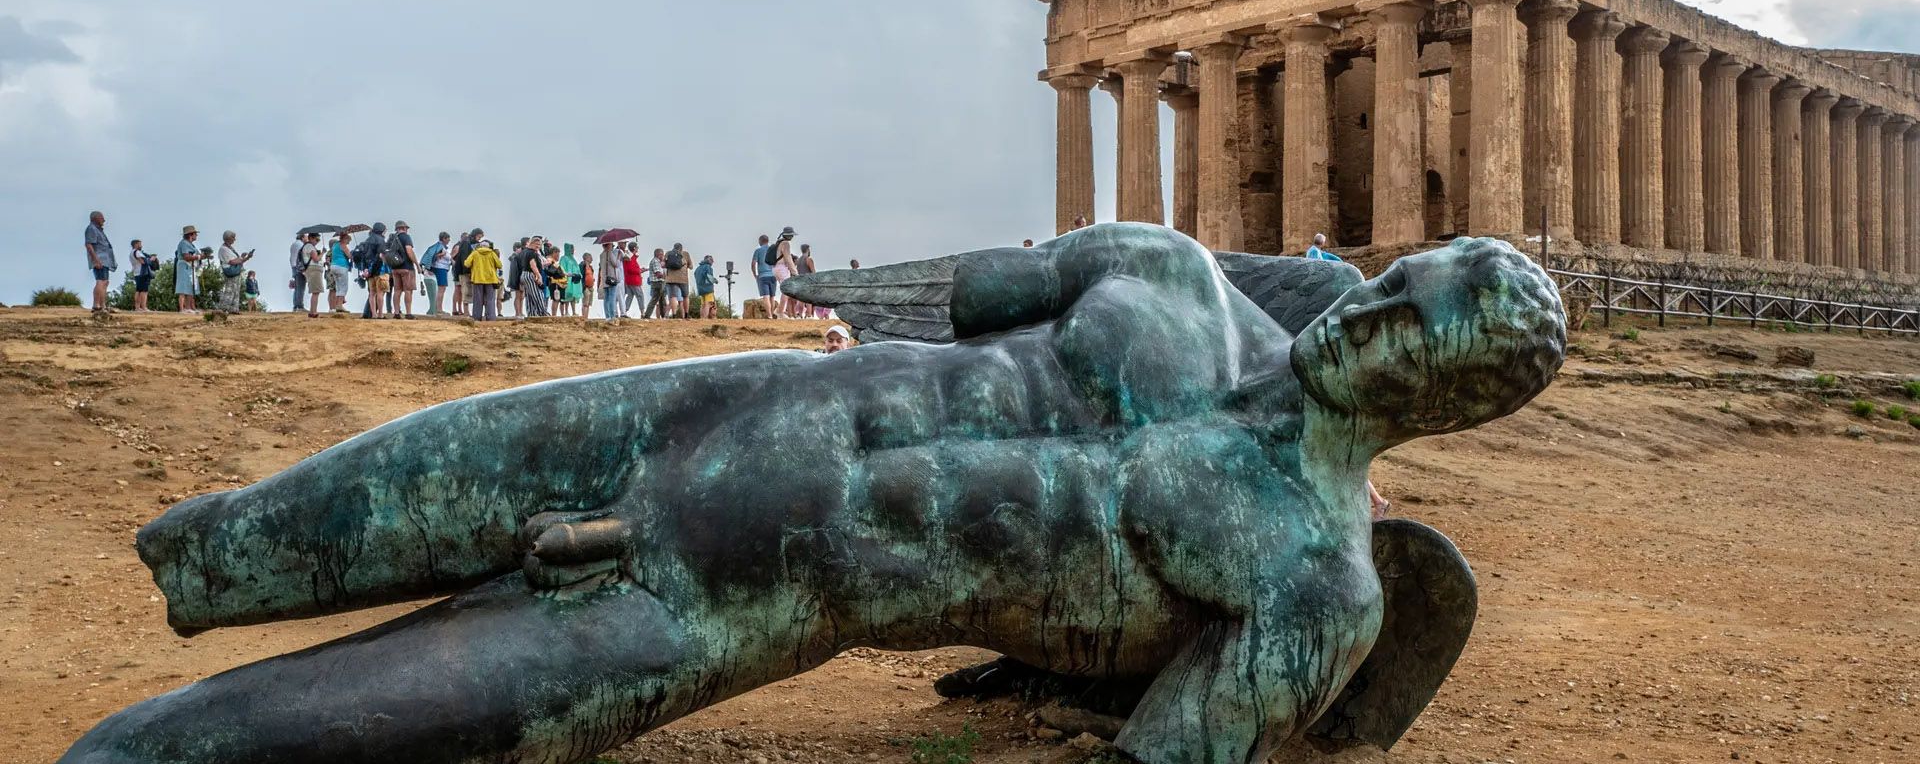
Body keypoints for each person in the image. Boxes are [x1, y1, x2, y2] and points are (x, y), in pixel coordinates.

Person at [84, 227, 1568, 764]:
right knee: (237, 536)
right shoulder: (1169, 275)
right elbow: (946, 297)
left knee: (184, 746)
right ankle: (205, 560)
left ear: (1447, 398)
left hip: (754, 598)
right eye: (1395, 282)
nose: (1374, 314)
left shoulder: (1317, 577)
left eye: (1413, 326)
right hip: (726, 402)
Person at [464, 231, 503, 322]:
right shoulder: (492, 253)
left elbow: (467, 263)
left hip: (478, 279)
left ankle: (476, 318)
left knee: (477, 300)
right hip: (491, 279)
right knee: (490, 299)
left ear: (480, 246)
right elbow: (499, 265)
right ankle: (491, 318)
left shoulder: (475, 253)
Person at [85, 211, 117, 313]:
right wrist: (95, 260)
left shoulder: (99, 230)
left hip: (105, 260)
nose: (104, 220)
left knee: (105, 282)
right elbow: (89, 245)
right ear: (95, 218)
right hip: (100, 259)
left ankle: (103, 306)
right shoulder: (91, 229)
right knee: (100, 281)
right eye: (101, 218)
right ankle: (96, 305)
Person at [388, 221, 420, 320]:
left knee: (397, 290)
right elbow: (409, 251)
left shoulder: (392, 239)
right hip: (406, 267)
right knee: (408, 290)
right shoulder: (406, 237)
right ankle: (408, 313)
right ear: (404, 228)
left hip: (395, 268)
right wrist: (417, 265)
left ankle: (396, 313)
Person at [215, 231, 253, 314]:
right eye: (233, 237)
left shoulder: (229, 248)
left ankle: (234, 309)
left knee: (236, 290)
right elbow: (232, 262)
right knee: (230, 290)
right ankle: (223, 309)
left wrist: (245, 258)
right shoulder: (223, 249)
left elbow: (238, 261)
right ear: (228, 238)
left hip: (235, 271)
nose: (234, 239)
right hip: (231, 271)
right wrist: (243, 258)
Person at [359, 223, 391, 320]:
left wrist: (366, 269)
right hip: (380, 269)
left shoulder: (368, 240)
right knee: (380, 292)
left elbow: (364, 256)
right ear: (381, 230)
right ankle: (380, 314)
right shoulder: (381, 240)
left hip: (369, 270)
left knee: (372, 293)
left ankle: (373, 314)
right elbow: (381, 255)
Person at [516, 236, 550, 318]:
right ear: (531, 243)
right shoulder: (532, 252)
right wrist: (539, 276)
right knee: (537, 294)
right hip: (529, 274)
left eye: (539, 244)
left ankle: (532, 314)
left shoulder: (525, 251)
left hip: (525, 275)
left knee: (530, 296)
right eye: (536, 244)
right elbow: (533, 265)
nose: (538, 246)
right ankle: (543, 312)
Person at [771, 228, 800, 318]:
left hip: (776, 268)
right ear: (788, 235)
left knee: (785, 290)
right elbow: (788, 259)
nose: (792, 237)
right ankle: (780, 312)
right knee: (787, 290)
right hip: (782, 268)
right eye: (791, 235)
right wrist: (795, 272)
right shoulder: (786, 244)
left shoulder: (779, 242)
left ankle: (779, 310)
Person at [422, 232, 453, 316]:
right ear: (444, 239)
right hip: (441, 269)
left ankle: (436, 308)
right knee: (441, 289)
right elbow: (435, 256)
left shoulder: (437, 246)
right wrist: (441, 254)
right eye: (448, 238)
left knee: (440, 289)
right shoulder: (440, 247)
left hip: (438, 268)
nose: (449, 240)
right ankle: (439, 309)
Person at [751, 234, 777, 318]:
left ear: (760, 241)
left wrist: (755, 275)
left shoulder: (758, 251)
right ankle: (772, 314)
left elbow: (753, 264)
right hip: (773, 275)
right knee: (772, 297)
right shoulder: (773, 250)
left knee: (766, 296)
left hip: (762, 276)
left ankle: (769, 316)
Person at [128, 239, 158, 312]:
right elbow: (143, 261)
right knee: (144, 291)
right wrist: (151, 259)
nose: (141, 246)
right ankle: (144, 307)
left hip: (136, 272)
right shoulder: (137, 252)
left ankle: (137, 307)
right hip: (142, 273)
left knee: (138, 290)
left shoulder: (131, 253)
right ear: (136, 245)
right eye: (140, 244)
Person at [326, 232, 353, 314]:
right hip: (342, 266)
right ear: (345, 239)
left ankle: (338, 305)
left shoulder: (335, 245)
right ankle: (339, 305)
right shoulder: (343, 245)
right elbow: (350, 256)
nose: (348, 243)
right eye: (348, 240)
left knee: (338, 286)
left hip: (333, 267)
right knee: (343, 287)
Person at [301, 233, 326, 317]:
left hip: (313, 270)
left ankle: (312, 311)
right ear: (310, 238)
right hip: (314, 270)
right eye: (317, 240)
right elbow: (316, 259)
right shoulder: (309, 247)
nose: (317, 242)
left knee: (316, 291)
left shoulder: (308, 246)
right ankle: (313, 311)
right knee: (316, 291)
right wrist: (322, 253)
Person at [662, 243, 690, 318]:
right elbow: (691, 266)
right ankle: (686, 315)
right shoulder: (686, 254)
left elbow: (662, 265)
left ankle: (674, 315)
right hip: (683, 279)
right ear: (681, 248)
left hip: (671, 279)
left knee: (673, 296)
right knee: (685, 296)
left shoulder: (668, 253)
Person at [600, 240, 626, 322]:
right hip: (611, 278)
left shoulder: (601, 255)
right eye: (611, 245)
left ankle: (607, 316)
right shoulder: (610, 253)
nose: (612, 246)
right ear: (608, 245)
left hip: (604, 279)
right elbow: (616, 264)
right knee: (612, 297)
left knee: (606, 298)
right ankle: (612, 315)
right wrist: (618, 257)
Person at [450, 232, 474, 317]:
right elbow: (451, 257)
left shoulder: (462, 245)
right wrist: (456, 265)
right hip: (459, 270)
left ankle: (459, 309)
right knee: (458, 289)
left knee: (460, 290)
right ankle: (455, 308)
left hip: (458, 269)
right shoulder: (458, 246)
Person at [620, 242, 645, 315]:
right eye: (637, 247)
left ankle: (624, 311)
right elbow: (630, 269)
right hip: (634, 280)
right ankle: (642, 312)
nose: (638, 249)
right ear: (634, 248)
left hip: (629, 280)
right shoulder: (630, 257)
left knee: (630, 296)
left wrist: (639, 270)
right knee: (640, 295)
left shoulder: (629, 256)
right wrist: (640, 271)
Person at [642, 248, 667, 319]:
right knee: (655, 299)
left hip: (658, 282)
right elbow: (658, 274)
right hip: (657, 283)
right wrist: (666, 276)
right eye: (662, 254)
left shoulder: (657, 261)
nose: (663, 256)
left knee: (662, 300)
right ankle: (647, 316)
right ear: (658, 254)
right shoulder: (655, 261)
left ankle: (663, 315)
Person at [559, 243, 583, 318]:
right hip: (567, 280)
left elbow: (577, 269)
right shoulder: (564, 258)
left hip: (574, 280)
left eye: (573, 249)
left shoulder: (573, 259)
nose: (573, 250)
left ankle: (574, 312)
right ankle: (566, 312)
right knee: (567, 296)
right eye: (571, 248)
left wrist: (579, 275)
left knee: (573, 296)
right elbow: (562, 268)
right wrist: (566, 276)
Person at [288, 232, 308, 313]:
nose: (307, 239)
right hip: (299, 267)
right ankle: (300, 306)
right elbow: (303, 256)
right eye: (306, 237)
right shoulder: (301, 245)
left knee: (297, 288)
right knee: (301, 287)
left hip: (293, 267)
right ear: (302, 237)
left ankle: (296, 306)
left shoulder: (293, 245)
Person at [579, 251, 597, 324]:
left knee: (588, 304)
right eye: (590, 257)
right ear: (586, 258)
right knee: (585, 303)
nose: (592, 259)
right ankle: (584, 318)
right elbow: (581, 275)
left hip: (590, 287)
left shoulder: (590, 267)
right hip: (585, 286)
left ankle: (586, 317)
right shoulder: (582, 265)